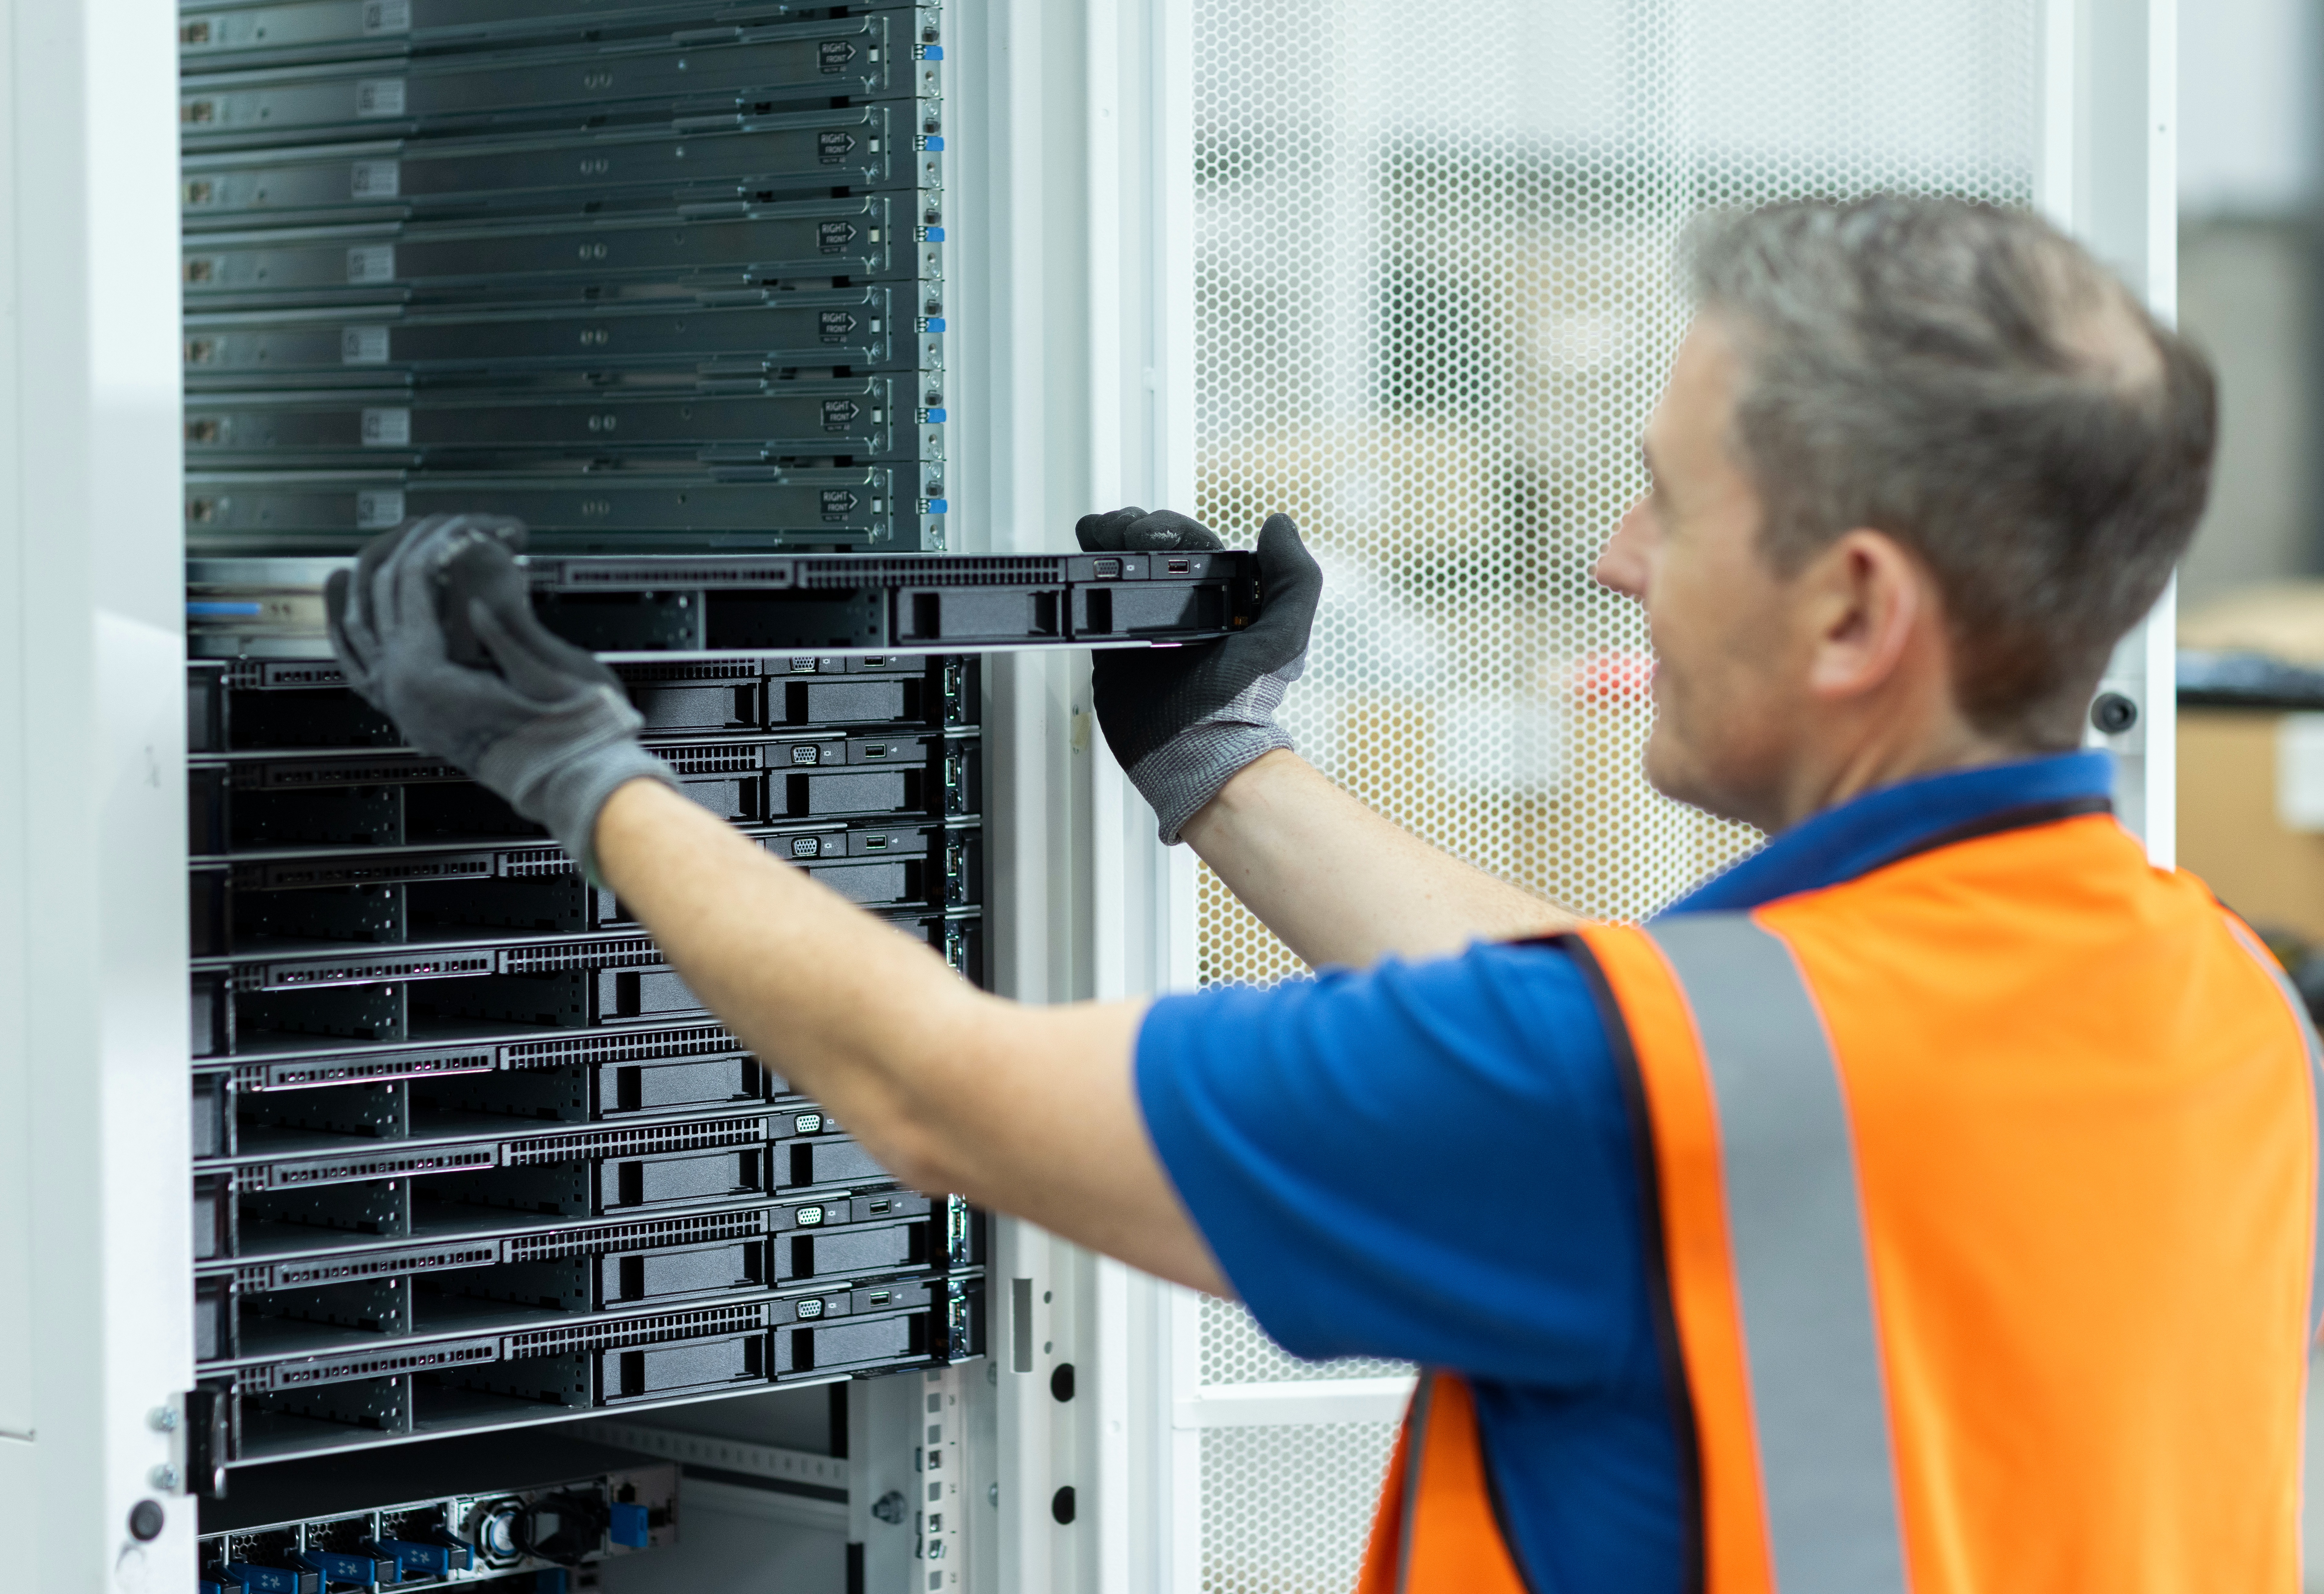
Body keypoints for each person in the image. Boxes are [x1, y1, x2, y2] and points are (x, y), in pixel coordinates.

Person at [326, 195, 2319, 1593]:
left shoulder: (1635, 1095)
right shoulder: (2223, 997)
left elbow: (942, 1087)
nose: (1616, 558)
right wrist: (1224, 766)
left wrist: (583, 767)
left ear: (1853, 608)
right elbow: (1648, 1047)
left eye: (1671, 501)